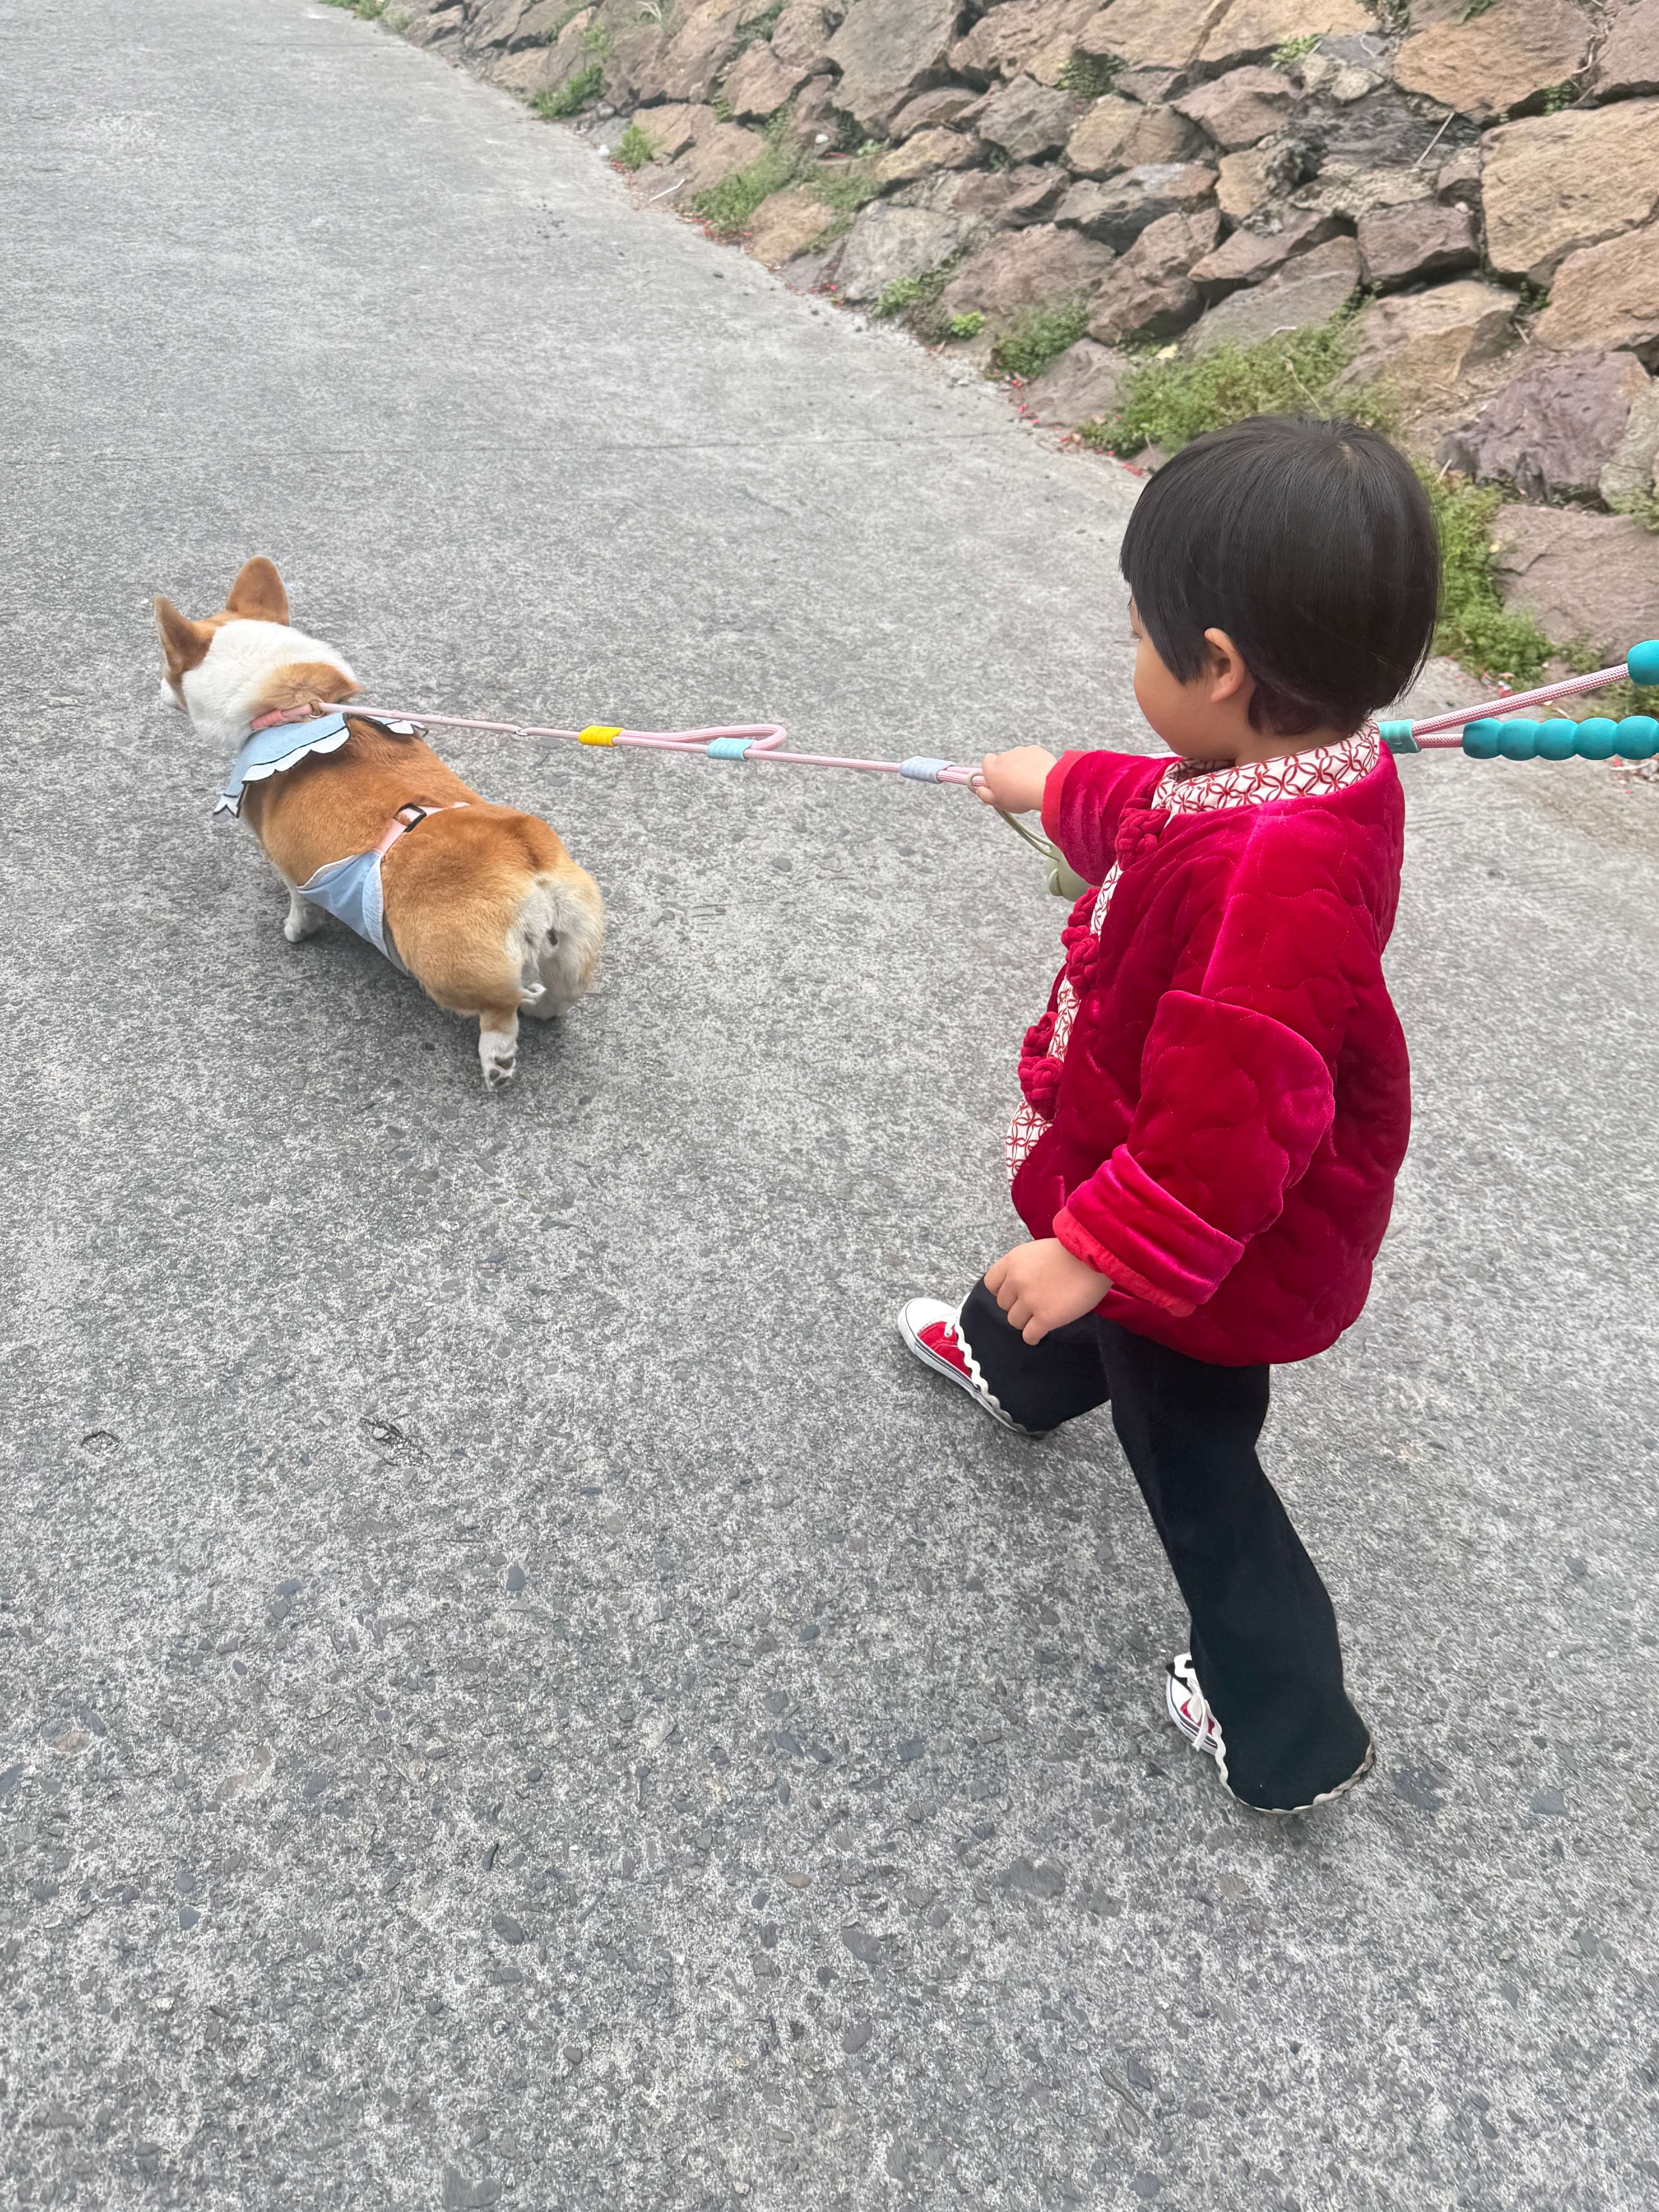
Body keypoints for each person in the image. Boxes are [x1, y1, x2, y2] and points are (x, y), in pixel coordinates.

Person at [900, 414, 1440, 1815]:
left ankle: (1286, 1719)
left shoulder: (1278, 878)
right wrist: (1052, 783)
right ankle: (1014, 1362)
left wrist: (1102, 1251)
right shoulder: (1309, 768)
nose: (1129, 655)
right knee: (1087, 1303)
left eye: (1141, 635)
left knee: (1191, 1444)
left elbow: (1232, 1121)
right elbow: (1166, 805)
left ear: (1220, 667)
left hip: (1213, 1233)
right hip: (1161, 1172)